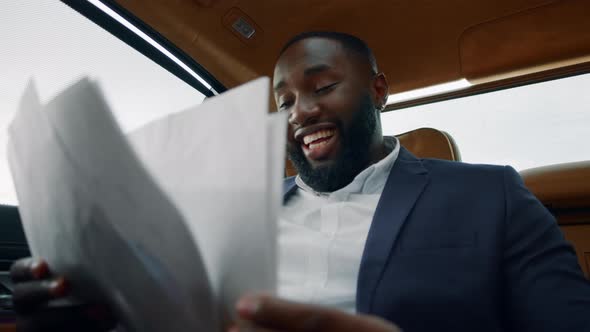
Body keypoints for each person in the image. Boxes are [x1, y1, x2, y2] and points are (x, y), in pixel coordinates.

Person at [10, 31, 590, 332]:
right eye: (284, 100)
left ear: (379, 90)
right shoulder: (234, 210)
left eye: (321, 87)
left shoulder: (492, 195)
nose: (299, 112)